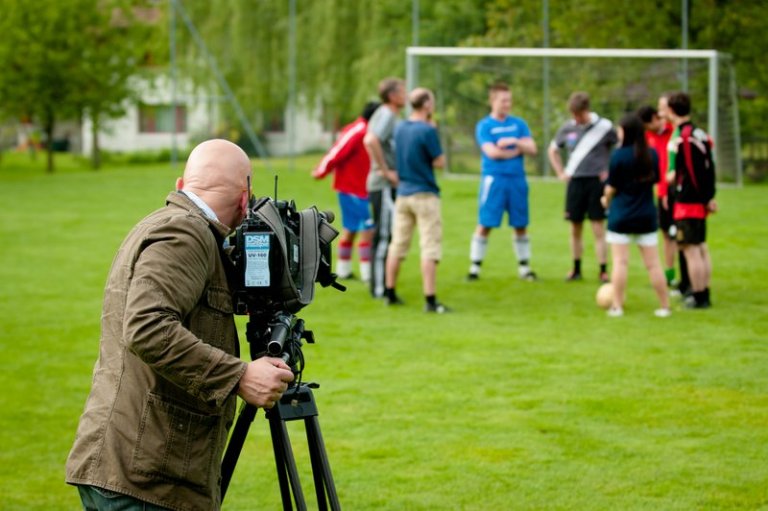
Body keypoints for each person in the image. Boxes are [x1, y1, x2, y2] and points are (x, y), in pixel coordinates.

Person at [65, 139, 295, 511]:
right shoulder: (185, 235)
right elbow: (147, 327)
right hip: (144, 476)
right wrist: (238, 376)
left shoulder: (177, 227)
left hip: (137, 465)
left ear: (180, 185)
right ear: (244, 198)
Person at [383, 87, 449, 313]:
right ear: (427, 105)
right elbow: (439, 162)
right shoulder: (427, 130)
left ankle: (389, 292)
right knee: (430, 246)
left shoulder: (400, 127)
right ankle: (430, 299)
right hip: (425, 194)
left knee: (398, 245)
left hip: (403, 193)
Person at [601, 113, 671, 318]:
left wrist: (605, 200)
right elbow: (656, 180)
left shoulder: (618, 156)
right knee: (654, 264)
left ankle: (617, 306)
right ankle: (664, 306)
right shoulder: (651, 154)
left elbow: (611, 187)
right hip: (646, 215)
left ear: (626, 132)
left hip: (621, 215)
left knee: (620, 262)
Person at [467, 82, 538, 282]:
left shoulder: (518, 124)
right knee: (485, 222)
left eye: (509, 100)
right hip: (494, 180)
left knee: (520, 223)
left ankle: (524, 268)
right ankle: (475, 267)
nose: (507, 104)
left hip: (517, 180)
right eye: (503, 100)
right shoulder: (485, 125)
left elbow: (532, 148)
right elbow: (492, 152)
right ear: (493, 101)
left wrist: (514, 143)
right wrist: (516, 151)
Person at [548, 91, 618, 283]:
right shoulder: (568, 128)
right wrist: (560, 172)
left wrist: (609, 170)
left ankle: (603, 270)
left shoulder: (604, 127)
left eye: (579, 115)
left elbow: (620, 147)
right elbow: (552, 150)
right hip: (575, 181)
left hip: (596, 182)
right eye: (573, 115)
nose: (576, 119)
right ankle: (576, 268)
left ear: (586, 110)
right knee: (575, 227)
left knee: (598, 226)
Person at [313, 101, 380, 283]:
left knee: (351, 229)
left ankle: (344, 269)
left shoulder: (368, 131)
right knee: (367, 229)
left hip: (361, 188)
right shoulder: (358, 130)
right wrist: (322, 170)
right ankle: (368, 273)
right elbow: (337, 151)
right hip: (353, 189)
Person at [665, 92, 717, 309]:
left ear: (671, 110)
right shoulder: (700, 133)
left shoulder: (683, 138)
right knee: (701, 247)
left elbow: (691, 173)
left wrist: (676, 182)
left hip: (687, 201)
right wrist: (709, 197)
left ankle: (698, 296)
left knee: (691, 249)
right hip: (699, 200)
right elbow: (710, 168)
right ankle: (703, 292)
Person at [364, 77, 407, 298]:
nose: (406, 95)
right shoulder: (387, 114)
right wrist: (385, 170)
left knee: (388, 234)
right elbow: (371, 140)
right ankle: (379, 288)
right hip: (382, 185)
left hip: (385, 184)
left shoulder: (389, 114)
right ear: (392, 95)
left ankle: (381, 283)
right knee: (383, 235)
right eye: (402, 91)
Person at [637, 103, 678, 289]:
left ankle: (677, 274)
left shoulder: (674, 131)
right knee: (666, 233)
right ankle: (669, 273)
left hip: (676, 191)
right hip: (660, 193)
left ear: (655, 118)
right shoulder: (647, 137)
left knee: (679, 235)